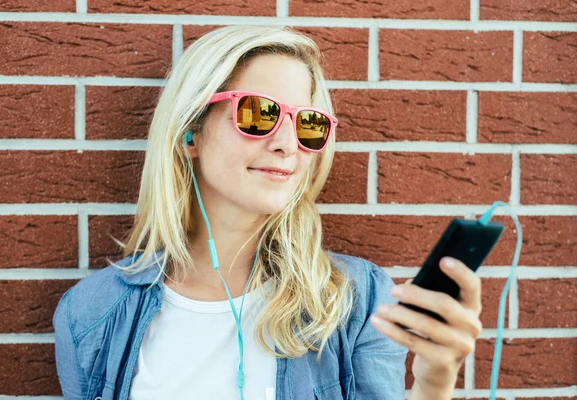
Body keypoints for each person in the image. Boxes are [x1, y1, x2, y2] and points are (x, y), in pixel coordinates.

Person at [53, 25, 483, 400]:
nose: (287, 144)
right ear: (190, 132)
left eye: (308, 123)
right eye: (260, 114)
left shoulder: (357, 301)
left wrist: (432, 384)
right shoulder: (91, 314)